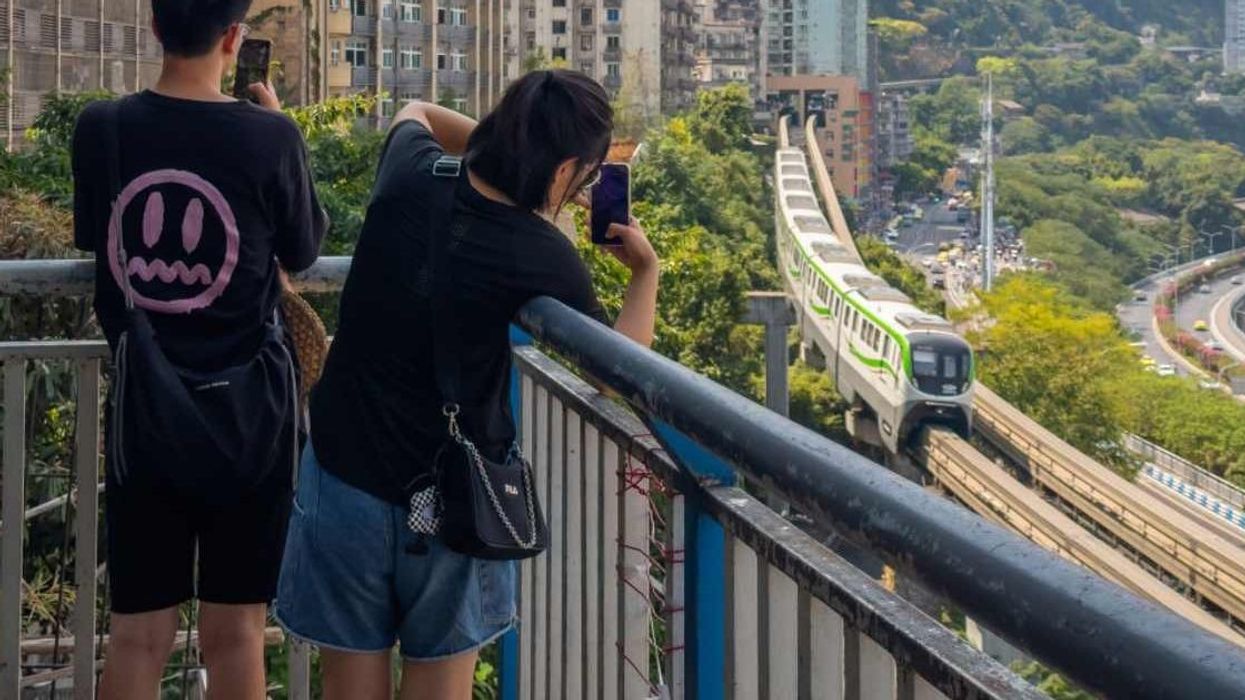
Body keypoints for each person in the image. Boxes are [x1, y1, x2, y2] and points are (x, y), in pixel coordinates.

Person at [275, 70, 659, 699]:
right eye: (585, 178)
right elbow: (614, 377)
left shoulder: (408, 172)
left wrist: (512, 151)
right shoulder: (543, 253)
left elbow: (418, 110)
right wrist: (645, 272)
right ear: (565, 171)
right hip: (452, 500)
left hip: (345, 475)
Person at [71, 2, 326, 697]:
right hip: (252, 418)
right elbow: (303, 249)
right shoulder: (270, 137)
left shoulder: (102, 128)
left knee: (136, 634)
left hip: (145, 415)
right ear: (234, 38)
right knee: (236, 632)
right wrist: (277, 125)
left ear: (155, 28)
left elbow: (100, 239)